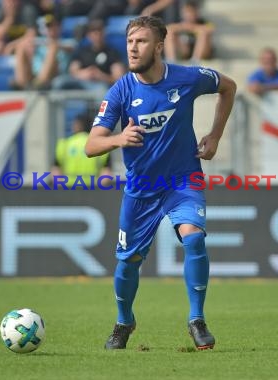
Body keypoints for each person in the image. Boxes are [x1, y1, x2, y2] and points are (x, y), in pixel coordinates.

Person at [85, 16, 236, 350]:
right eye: (129, 42)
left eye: (140, 41)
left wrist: (215, 135)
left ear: (158, 45)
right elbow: (91, 145)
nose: (133, 48)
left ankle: (197, 320)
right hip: (141, 189)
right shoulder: (122, 89)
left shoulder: (188, 78)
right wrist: (118, 138)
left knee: (193, 239)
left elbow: (229, 87)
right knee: (129, 261)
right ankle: (124, 321)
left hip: (183, 179)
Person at [51, 19, 126, 91]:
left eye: (100, 31)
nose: (97, 35)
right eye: (94, 32)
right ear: (89, 35)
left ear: (104, 33)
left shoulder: (112, 53)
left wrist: (100, 75)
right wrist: (84, 73)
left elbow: (118, 77)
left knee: (101, 89)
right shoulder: (82, 51)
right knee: (58, 82)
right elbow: (73, 70)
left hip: (100, 84)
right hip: (80, 81)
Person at [51, 113, 112, 187]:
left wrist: (61, 186)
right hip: (93, 190)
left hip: (68, 189)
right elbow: (106, 174)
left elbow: (55, 171)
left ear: (77, 126)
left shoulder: (64, 144)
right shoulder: (100, 146)